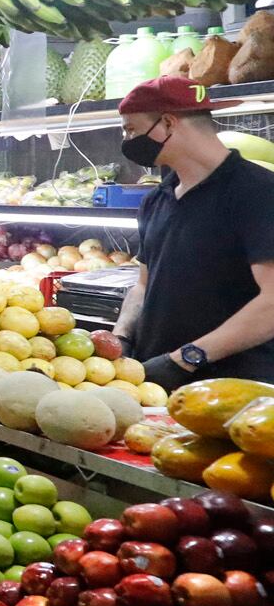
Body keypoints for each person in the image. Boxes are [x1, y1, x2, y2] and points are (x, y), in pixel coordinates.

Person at [114, 76, 274, 385]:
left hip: (233, 389)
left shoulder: (258, 193)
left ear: (168, 124)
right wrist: (121, 336)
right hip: (155, 379)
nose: (128, 140)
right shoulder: (156, 199)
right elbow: (143, 285)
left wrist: (188, 358)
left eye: (131, 129)